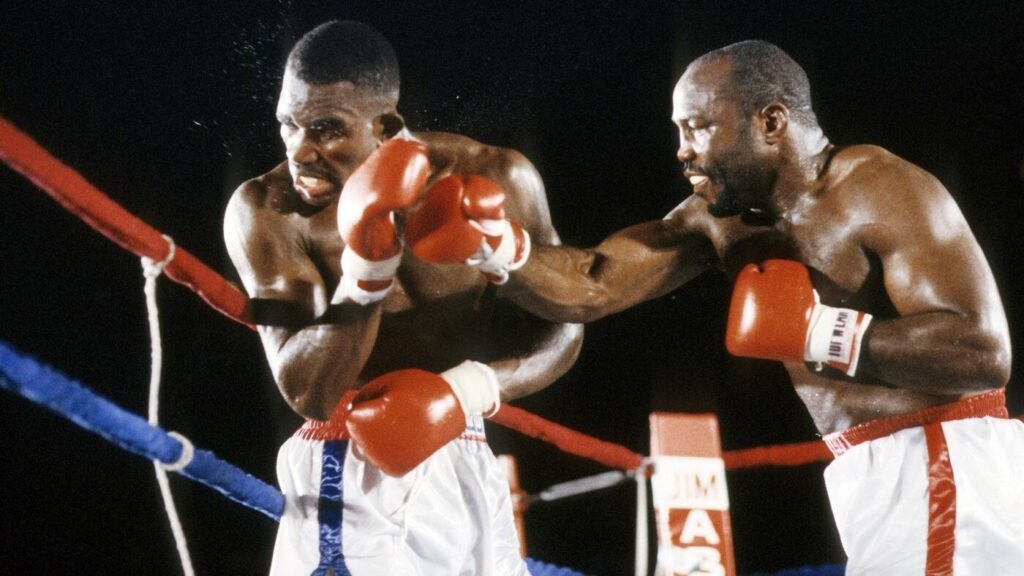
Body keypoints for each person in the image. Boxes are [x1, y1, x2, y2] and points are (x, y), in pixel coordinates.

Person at [409, 40, 1024, 574]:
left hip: (944, 458)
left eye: (698, 127)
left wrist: (816, 332)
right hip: (872, 470)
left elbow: (983, 353)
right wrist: (496, 247)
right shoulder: (719, 221)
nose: (683, 150)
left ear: (771, 121)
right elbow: (595, 284)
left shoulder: (874, 187)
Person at [223, 20, 583, 576]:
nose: (300, 150)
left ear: (386, 126)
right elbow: (306, 390)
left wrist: (470, 390)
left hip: (464, 444)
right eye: (287, 125)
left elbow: (563, 324)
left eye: (326, 129)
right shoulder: (267, 210)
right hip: (346, 459)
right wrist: (367, 269)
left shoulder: (498, 177)